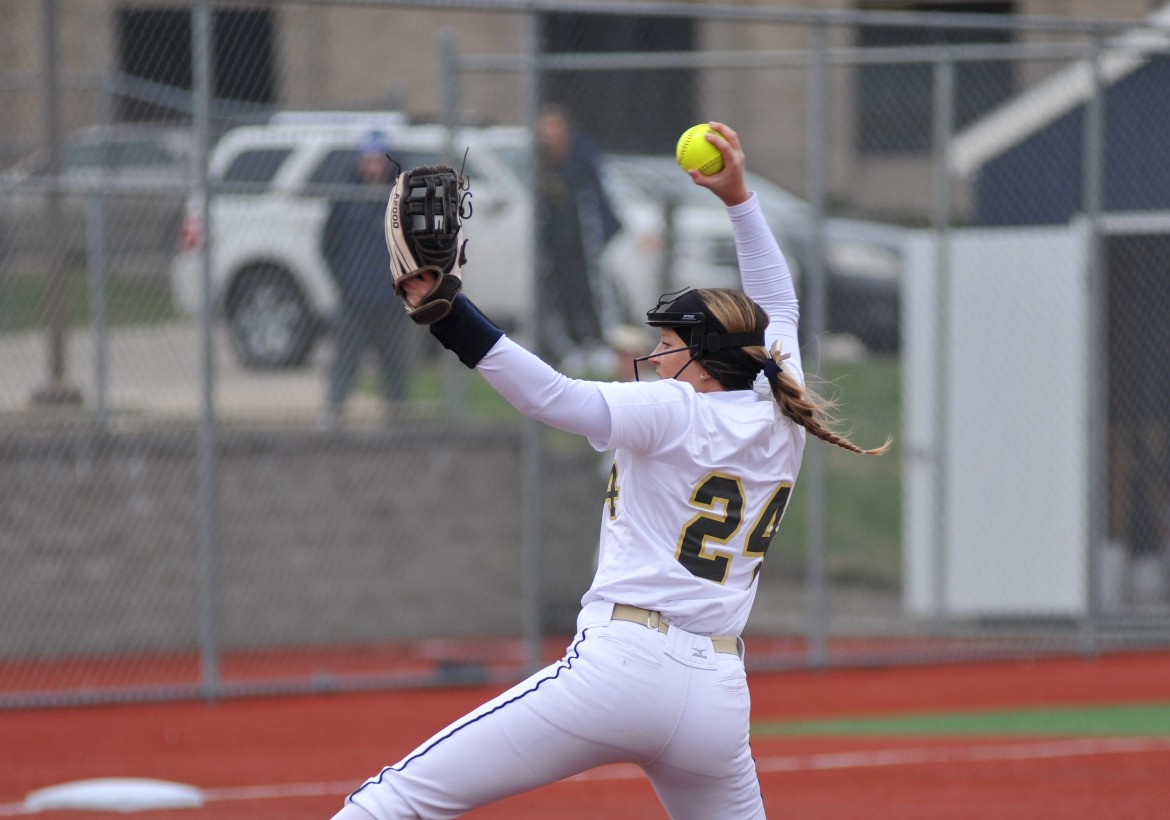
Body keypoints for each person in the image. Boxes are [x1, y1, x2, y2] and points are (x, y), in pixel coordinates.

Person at [330, 122, 889, 820]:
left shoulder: (677, 410)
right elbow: (781, 303)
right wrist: (740, 198)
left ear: (705, 362)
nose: (654, 356)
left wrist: (444, 309)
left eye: (667, 344)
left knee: (398, 797)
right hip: (717, 693)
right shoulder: (781, 403)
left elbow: (551, 396)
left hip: (624, 667)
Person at [320, 132, 413, 430]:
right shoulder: (346, 198)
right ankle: (334, 412)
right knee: (346, 358)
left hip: (391, 299)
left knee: (395, 362)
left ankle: (398, 418)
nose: (373, 167)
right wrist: (345, 280)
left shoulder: (400, 200)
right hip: (354, 299)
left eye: (379, 161)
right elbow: (327, 245)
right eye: (368, 161)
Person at [535, 103, 623, 367]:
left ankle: (599, 342)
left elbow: (596, 199)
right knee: (560, 292)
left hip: (583, 241)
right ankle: (569, 345)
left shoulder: (581, 157)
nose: (549, 134)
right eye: (545, 128)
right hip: (556, 242)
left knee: (591, 289)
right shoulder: (541, 161)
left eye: (554, 127)